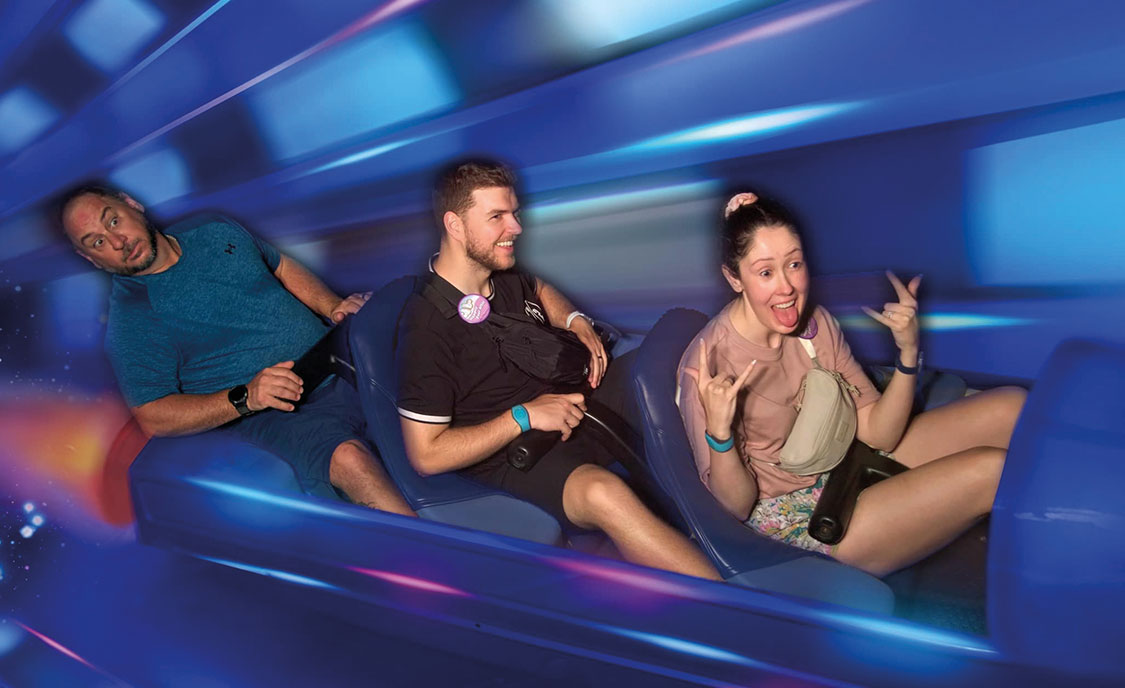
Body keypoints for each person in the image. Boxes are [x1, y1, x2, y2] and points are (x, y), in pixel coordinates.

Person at [395, 160, 720, 580]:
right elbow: (426, 454)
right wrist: (523, 415)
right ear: (455, 225)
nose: (515, 227)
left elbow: (540, 289)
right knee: (606, 494)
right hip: (516, 453)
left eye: (514, 213)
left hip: (572, 402)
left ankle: (752, 503)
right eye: (497, 217)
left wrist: (574, 321)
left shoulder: (500, 269)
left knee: (677, 366)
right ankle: (746, 624)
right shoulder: (424, 329)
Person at [678, 192, 1026, 577]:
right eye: (765, 272)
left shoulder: (815, 324)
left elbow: (879, 432)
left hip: (844, 454)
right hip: (798, 517)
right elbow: (735, 509)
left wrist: (908, 353)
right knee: (990, 472)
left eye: (794, 264)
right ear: (734, 278)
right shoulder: (710, 364)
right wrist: (720, 434)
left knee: (1012, 407)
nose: (786, 288)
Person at [59, 184, 412, 515]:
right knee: (349, 459)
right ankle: (439, 564)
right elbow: (152, 415)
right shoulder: (132, 322)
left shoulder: (211, 229)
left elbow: (279, 266)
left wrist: (333, 305)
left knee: (430, 349)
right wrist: (246, 397)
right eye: (98, 242)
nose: (118, 242)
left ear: (131, 204)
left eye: (114, 221)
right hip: (279, 414)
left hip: (339, 359)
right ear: (92, 259)